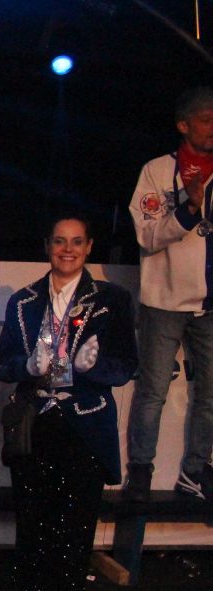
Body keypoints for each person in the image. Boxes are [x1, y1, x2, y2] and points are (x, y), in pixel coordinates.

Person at [0, 216, 138, 591]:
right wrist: (28, 365)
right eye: (60, 241)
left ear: (89, 246)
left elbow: (125, 367)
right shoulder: (24, 300)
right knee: (32, 530)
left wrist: (89, 368)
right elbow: (2, 364)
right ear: (48, 246)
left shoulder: (111, 300)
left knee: (71, 539)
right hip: (35, 428)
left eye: (77, 242)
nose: (68, 249)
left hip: (84, 429)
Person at [125, 86, 213, 501]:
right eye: (206, 120)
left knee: (210, 396)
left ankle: (195, 472)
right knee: (152, 393)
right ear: (183, 125)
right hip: (163, 302)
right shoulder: (158, 172)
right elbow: (147, 236)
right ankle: (141, 472)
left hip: (209, 305)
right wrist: (187, 209)